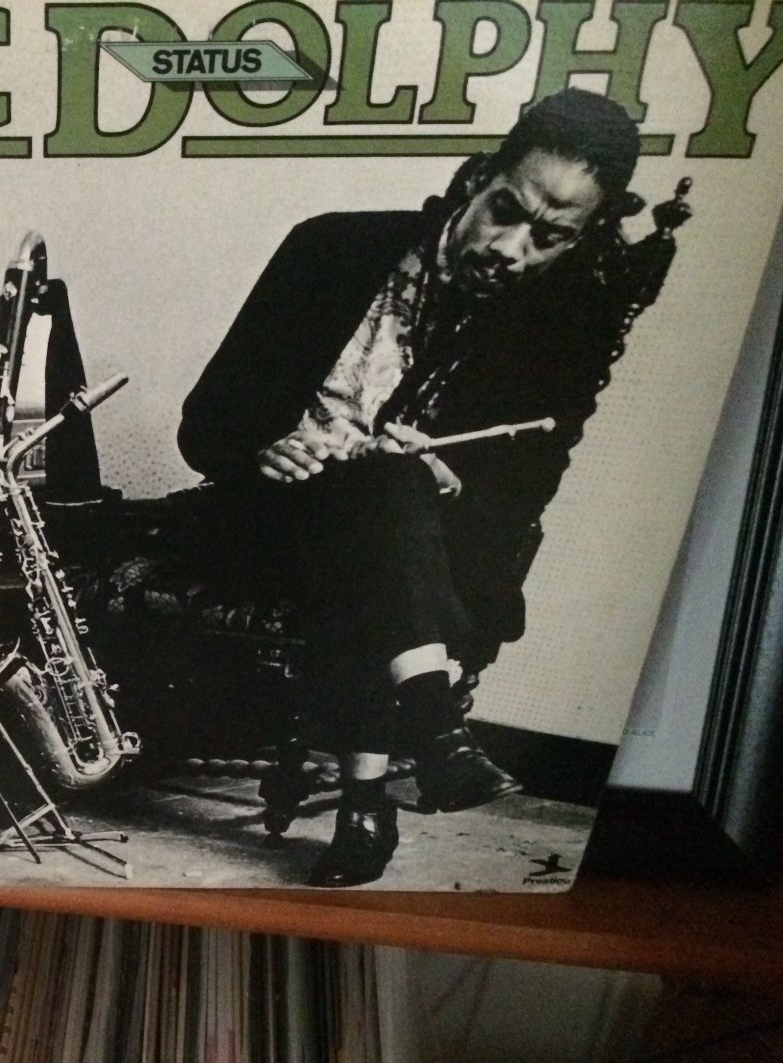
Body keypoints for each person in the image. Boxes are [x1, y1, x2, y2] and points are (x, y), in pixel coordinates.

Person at [177, 88, 687, 887]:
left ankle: (381, 785)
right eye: (506, 211)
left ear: (582, 238)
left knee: (386, 491)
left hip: (422, 552)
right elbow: (203, 427)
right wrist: (266, 448)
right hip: (265, 528)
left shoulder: (562, 328)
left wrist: (444, 481)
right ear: (476, 178)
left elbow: (516, 503)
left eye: (552, 237)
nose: (512, 248)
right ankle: (421, 740)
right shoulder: (332, 249)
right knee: (378, 505)